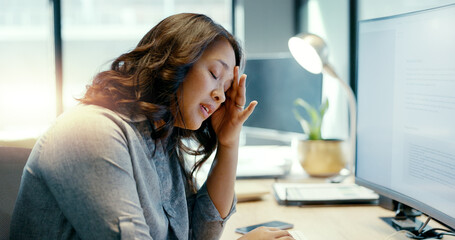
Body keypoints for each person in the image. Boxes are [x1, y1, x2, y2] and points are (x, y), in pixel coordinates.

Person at [10, 13, 294, 240]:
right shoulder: (92, 132)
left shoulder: (159, 138)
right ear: (173, 62)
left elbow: (201, 234)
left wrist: (228, 143)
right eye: (214, 74)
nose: (221, 96)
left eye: (227, 88)